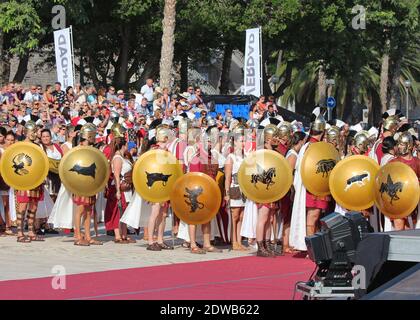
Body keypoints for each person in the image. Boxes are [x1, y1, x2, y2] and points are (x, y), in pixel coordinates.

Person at [14, 121, 45, 243]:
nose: (34, 134)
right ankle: (20, 233)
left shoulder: (38, 146)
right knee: (22, 206)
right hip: (23, 179)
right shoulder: (20, 145)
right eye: (32, 131)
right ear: (26, 132)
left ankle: (31, 231)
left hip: (36, 179)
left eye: (35, 131)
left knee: (34, 206)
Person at [72, 123, 102, 246]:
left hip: (90, 183)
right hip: (80, 182)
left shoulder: (93, 149)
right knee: (80, 209)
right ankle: (78, 236)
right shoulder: (78, 149)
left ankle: (88, 236)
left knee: (89, 210)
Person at [105, 135, 135, 244]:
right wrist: (118, 190)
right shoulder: (117, 158)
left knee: (125, 211)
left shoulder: (123, 156)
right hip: (119, 187)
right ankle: (118, 236)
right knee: (118, 211)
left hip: (126, 187)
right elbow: (117, 175)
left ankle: (124, 235)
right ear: (124, 145)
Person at [389, 132, 420, 231]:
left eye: (402, 144)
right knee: (399, 229)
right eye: (398, 144)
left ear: (409, 146)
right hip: (397, 202)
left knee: (409, 231)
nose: (399, 146)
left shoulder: (417, 162)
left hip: (412, 202)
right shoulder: (393, 163)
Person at [224, 126, 247, 251]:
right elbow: (227, 177)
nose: (243, 143)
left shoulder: (245, 156)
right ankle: (234, 241)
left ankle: (239, 240)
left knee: (242, 216)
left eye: (244, 141)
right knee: (235, 215)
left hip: (244, 188)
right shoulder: (230, 157)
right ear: (235, 142)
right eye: (241, 141)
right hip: (234, 187)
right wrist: (227, 193)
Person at [284, 132, 307, 253]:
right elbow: (289, 174)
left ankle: (287, 243)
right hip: (289, 189)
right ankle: (285, 244)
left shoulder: (293, 153)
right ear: (301, 141)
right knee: (287, 217)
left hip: (290, 189)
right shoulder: (293, 155)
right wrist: (292, 190)